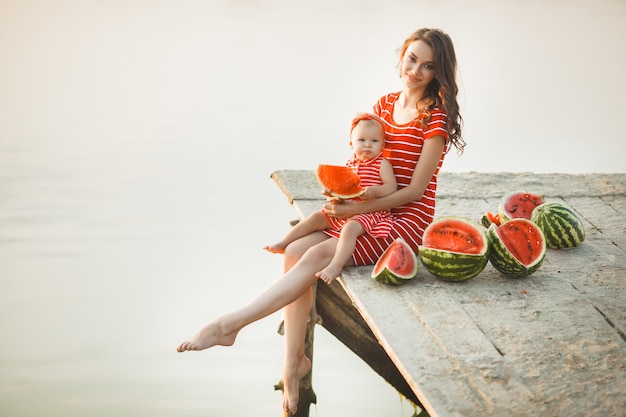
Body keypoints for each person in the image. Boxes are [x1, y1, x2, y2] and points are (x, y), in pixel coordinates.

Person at [176, 28, 465, 416]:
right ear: (401, 56)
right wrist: (344, 197)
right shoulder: (383, 104)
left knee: (315, 257)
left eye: (428, 66)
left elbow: (414, 192)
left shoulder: (436, 117)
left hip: (404, 220)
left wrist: (355, 211)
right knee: (295, 250)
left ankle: (231, 324)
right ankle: (293, 362)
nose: (415, 70)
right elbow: (364, 162)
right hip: (367, 207)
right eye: (411, 59)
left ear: (438, 73)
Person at [264, 112, 397, 284]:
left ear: (383, 144)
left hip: (371, 212)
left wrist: (374, 192)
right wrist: (334, 196)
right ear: (351, 143)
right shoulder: (351, 164)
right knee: (317, 217)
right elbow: (343, 189)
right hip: (347, 208)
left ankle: (336, 264)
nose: (367, 145)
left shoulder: (382, 164)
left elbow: (391, 187)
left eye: (374, 141)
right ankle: (283, 242)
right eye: (361, 140)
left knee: (350, 229)